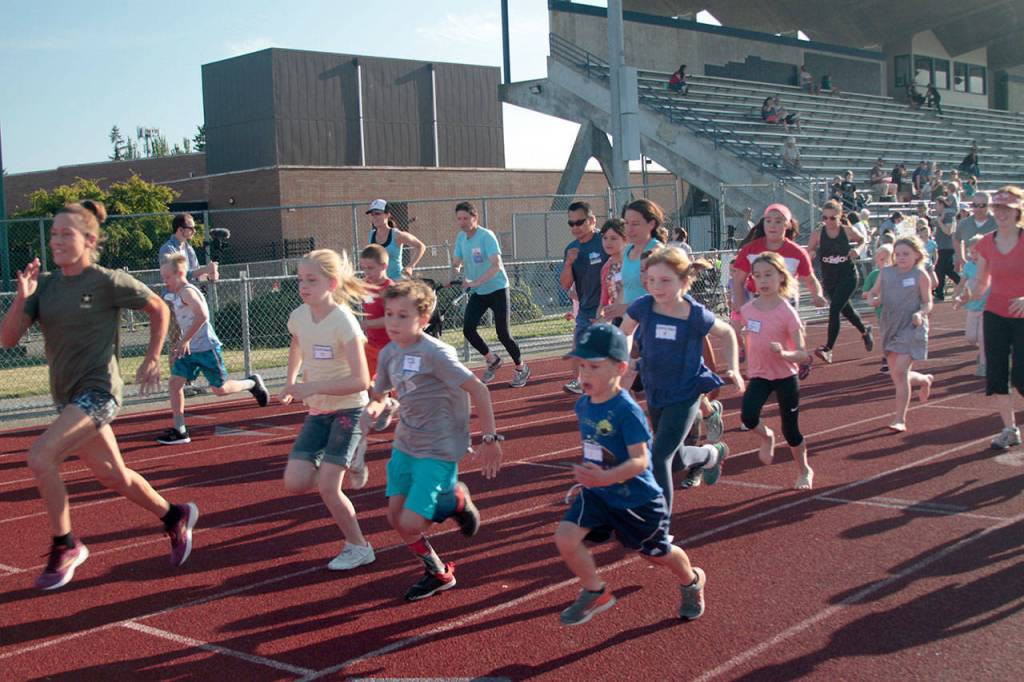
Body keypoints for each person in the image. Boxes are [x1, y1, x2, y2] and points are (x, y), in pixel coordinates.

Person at [0, 200, 198, 590]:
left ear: (89, 239)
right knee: (114, 476)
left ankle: (66, 543)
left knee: (40, 457)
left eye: (66, 234)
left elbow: (158, 307)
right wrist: (22, 297)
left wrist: (152, 358)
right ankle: (174, 515)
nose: (56, 240)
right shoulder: (47, 289)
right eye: (53, 233)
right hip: (68, 399)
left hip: (100, 392)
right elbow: (7, 340)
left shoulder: (108, 281)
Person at [553, 322, 717, 626]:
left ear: (620, 368)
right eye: (581, 366)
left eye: (594, 366)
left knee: (655, 555)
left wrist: (605, 476)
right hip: (600, 494)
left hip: (637, 499)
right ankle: (595, 591)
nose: (584, 374)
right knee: (565, 537)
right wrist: (594, 473)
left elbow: (641, 461)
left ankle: (692, 580)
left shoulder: (627, 411)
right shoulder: (583, 406)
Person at [366, 279, 501, 600]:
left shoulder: (435, 352)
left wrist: (490, 437)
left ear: (424, 319)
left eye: (403, 316)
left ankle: (455, 499)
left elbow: (478, 389)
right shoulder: (387, 354)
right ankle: (437, 573)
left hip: (439, 447)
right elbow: (379, 395)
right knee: (395, 519)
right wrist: (376, 409)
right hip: (405, 444)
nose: (393, 322)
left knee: (413, 521)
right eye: (389, 315)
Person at [620, 246, 740, 519]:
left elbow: (728, 334)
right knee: (673, 459)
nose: (657, 287)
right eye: (651, 280)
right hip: (655, 388)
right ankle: (709, 455)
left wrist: (733, 368)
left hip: (686, 392)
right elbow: (624, 331)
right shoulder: (644, 306)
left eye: (665, 281)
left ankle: (659, 521)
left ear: (684, 281)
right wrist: (627, 358)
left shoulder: (694, 314)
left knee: (659, 455)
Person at [279, 249, 375, 571]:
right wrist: (292, 380)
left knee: (328, 488)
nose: (303, 286)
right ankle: (351, 463)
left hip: (348, 410)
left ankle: (359, 547)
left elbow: (362, 380)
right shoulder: (299, 315)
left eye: (311, 280)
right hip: (318, 411)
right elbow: (296, 344)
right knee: (294, 482)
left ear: (332, 283)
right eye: (300, 280)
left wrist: (312, 387)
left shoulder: (343, 321)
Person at [155, 253, 269, 445]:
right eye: (163, 277)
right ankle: (180, 429)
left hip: (207, 348)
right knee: (175, 383)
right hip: (189, 350)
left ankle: (252, 383)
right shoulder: (176, 294)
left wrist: (184, 340)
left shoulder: (187, 292)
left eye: (167, 277)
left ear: (180, 273)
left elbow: (203, 316)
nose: (164, 281)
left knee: (220, 389)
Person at [955, 186, 1024, 450]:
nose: (1002, 213)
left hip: (1022, 315)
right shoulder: (986, 243)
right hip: (995, 313)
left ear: (1017, 210)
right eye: (998, 208)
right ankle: (1009, 428)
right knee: (996, 375)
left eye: (1007, 208)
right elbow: (982, 282)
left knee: (1021, 375)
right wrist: (966, 296)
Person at [740, 253, 813, 489]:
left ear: (781, 277)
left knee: (791, 430)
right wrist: (744, 339)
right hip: (760, 374)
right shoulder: (748, 309)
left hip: (785, 376)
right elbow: (751, 341)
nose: (763, 280)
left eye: (768, 274)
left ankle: (804, 470)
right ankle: (766, 437)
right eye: (757, 275)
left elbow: (803, 354)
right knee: (748, 417)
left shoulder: (786, 311)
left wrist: (784, 354)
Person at [450, 200, 530, 387]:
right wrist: (455, 270)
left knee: (503, 333)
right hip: (479, 291)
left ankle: (521, 367)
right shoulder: (461, 237)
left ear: (474, 217)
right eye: (459, 219)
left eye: (465, 218)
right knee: (468, 329)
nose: (462, 222)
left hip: (498, 289)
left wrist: (475, 282)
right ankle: (492, 359)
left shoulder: (486, 236)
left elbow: (496, 266)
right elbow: (456, 261)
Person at [867, 237, 934, 432]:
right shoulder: (886, 273)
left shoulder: (920, 274)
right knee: (897, 376)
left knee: (901, 371)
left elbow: (928, 302)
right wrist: (874, 299)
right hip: (890, 326)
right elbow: (872, 292)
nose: (901, 257)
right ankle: (924, 380)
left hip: (912, 327)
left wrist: (920, 313)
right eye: (898, 254)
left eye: (906, 254)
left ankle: (899, 418)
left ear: (917, 255)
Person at [352, 243, 399, 484]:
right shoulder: (365, 285)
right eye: (363, 268)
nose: (367, 273)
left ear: (384, 266)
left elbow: (392, 317)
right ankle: (388, 404)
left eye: (370, 268)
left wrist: (369, 324)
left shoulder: (390, 289)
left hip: (390, 348)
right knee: (364, 388)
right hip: (370, 347)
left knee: (400, 393)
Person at [806, 200, 871, 363]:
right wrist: (812, 253)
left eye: (832, 218)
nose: (828, 221)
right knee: (846, 310)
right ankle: (865, 331)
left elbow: (863, 240)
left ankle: (828, 349)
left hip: (848, 276)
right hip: (829, 279)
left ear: (840, 216)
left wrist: (857, 249)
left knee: (834, 309)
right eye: (825, 218)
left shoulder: (847, 231)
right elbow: (810, 249)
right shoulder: (818, 233)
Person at [560, 201, 608, 394]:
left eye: (579, 222)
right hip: (586, 308)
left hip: (607, 308)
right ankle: (580, 383)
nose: (575, 228)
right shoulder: (571, 249)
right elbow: (565, 284)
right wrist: (569, 264)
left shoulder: (605, 241)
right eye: (571, 224)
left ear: (592, 220)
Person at [952, 235, 989, 377]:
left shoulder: (990, 265)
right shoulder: (968, 266)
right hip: (972, 307)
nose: (974, 255)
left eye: (977, 252)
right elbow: (962, 283)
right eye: (971, 252)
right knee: (971, 337)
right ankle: (983, 350)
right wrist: (956, 295)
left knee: (982, 336)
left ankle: (984, 364)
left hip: (987, 307)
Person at [366, 199, 426, 281]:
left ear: (387, 215)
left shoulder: (397, 235)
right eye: (372, 214)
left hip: (397, 283)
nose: (374, 217)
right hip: (379, 283)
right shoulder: (371, 235)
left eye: (377, 214)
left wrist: (410, 266)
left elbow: (421, 247)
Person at [861, 244, 894, 373]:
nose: (883, 262)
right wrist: (872, 296)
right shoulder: (874, 275)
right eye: (879, 259)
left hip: (899, 312)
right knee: (886, 336)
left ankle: (893, 359)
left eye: (885, 258)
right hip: (882, 313)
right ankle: (887, 359)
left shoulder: (898, 273)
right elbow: (865, 293)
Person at [157, 213, 219, 282]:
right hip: (172, 292)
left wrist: (208, 277)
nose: (194, 231)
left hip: (188, 290)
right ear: (180, 230)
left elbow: (195, 277)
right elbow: (178, 275)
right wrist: (204, 269)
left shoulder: (189, 248)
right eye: (191, 228)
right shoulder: (167, 249)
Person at [954, 191, 996, 268]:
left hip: (993, 269)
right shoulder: (964, 223)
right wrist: (962, 259)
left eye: (982, 205)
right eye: (975, 205)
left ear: (990, 206)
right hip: (971, 270)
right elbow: (956, 239)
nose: (978, 209)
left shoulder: (998, 223)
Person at [597, 218, 627, 324]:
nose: (608, 242)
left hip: (635, 317)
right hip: (617, 320)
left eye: (614, 238)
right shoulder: (606, 267)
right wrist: (598, 322)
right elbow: (604, 301)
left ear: (625, 239)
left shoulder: (633, 263)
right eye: (605, 238)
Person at [932, 196, 961, 301]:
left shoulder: (948, 215)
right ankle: (963, 283)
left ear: (941, 204)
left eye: (936, 204)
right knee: (946, 270)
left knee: (940, 269)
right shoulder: (943, 215)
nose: (935, 207)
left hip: (946, 247)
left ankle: (940, 293)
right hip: (941, 246)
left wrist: (940, 222)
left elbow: (948, 231)